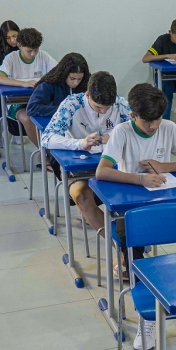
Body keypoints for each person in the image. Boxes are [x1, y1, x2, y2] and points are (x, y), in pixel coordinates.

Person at [95, 84, 176, 347]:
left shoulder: (168, 127)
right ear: (133, 115)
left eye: (158, 119)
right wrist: (140, 179)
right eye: (148, 121)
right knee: (132, 243)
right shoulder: (122, 132)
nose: (154, 126)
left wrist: (164, 166)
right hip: (133, 208)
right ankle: (147, 317)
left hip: (166, 204)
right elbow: (102, 171)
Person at [43, 71, 130, 239]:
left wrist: (114, 137)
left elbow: (135, 133)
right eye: (98, 107)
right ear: (87, 95)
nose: (103, 111)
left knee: (129, 196)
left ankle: (131, 242)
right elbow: (46, 138)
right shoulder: (72, 104)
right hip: (78, 167)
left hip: (110, 166)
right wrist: (80, 143)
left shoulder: (120, 104)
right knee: (82, 195)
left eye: (107, 107)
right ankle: (119, 248)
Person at [0, 27, 56, 147]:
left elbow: (58, 73)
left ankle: (51, 149)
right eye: (29, 51)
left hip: (38, 100)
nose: (33, 54)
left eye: (36, 50)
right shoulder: (11, 58)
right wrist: (23, 83)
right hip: (16, 102)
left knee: (58, 114)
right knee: (27, 119)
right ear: (19, 45)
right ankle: (44, 152)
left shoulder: (44, 56)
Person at [25, 53, 90, 145]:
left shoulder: (87, 82)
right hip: (58, 128)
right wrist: (64, 110)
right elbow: (32, 108)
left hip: (83, 127)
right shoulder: (49, 84)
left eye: (80, 79)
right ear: (64, 74)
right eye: (72, 78)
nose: (76, 83)